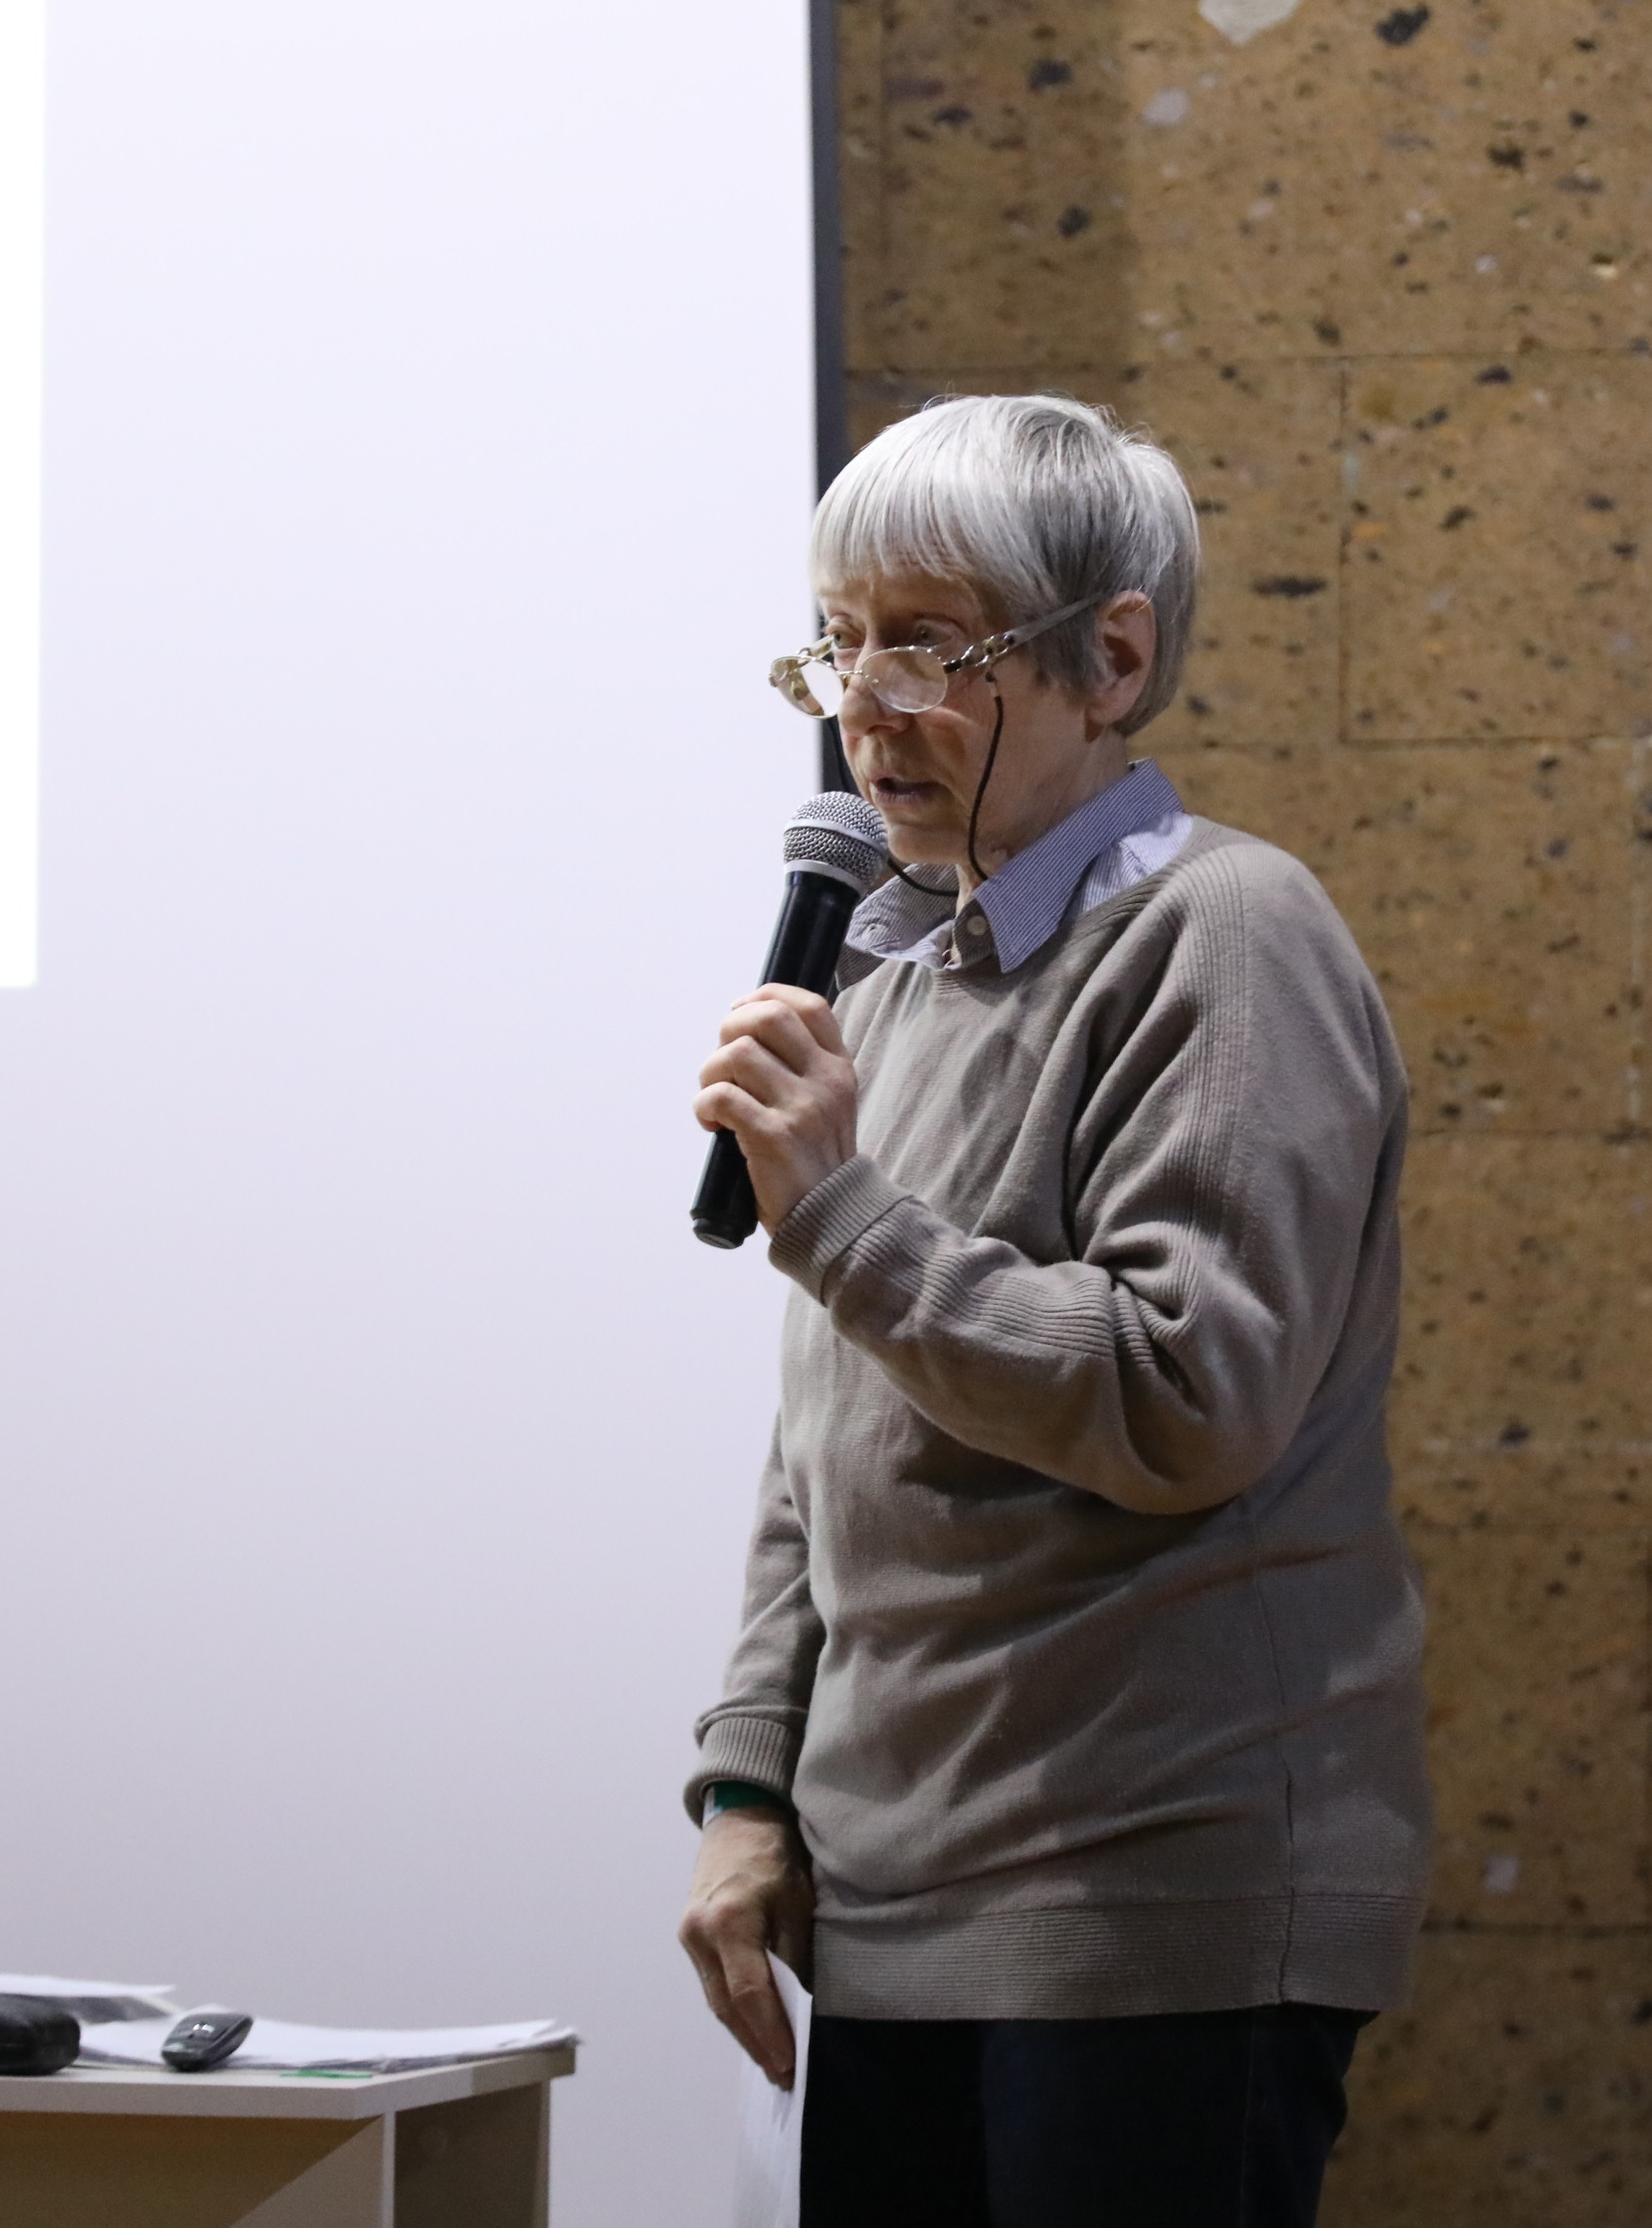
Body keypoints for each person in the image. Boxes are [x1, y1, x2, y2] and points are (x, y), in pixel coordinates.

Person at [679, 393, 1429, 2228]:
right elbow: (826, 1437)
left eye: (930, 645)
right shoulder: (889, 982)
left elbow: (1187, 1396)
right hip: (892, 1905)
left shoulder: (1223, 935)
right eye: (839, 644)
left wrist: (843, 1215)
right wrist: (749, 1789)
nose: (867, 704)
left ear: (1114, 659)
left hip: (1144, 1898)